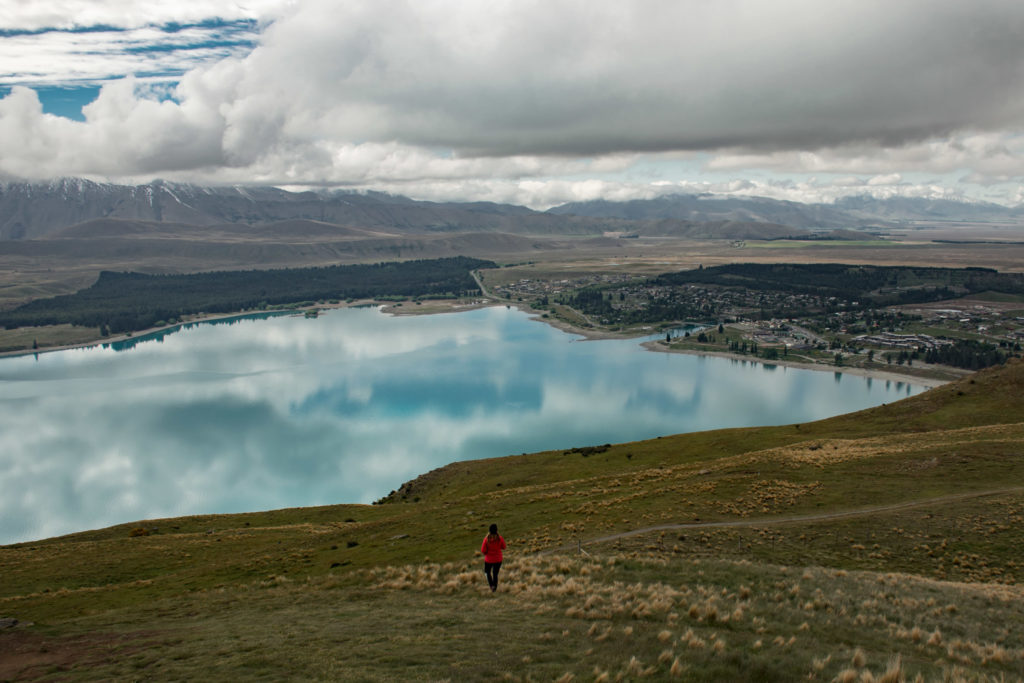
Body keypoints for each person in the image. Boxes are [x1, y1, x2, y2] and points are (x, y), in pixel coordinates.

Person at [481, 523, 506, 592]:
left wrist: (487, 553)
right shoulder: (500, 538)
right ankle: (495, 587)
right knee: (495, 574)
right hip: (498, 560)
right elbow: (504, 547)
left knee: (487, 572)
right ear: (496, 530)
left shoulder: (486, 540)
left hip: (489, 560)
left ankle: (491, 585)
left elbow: (483, 550)